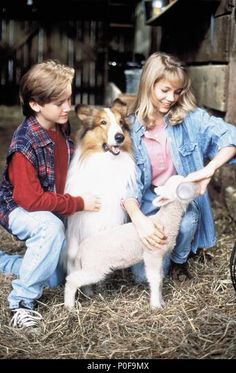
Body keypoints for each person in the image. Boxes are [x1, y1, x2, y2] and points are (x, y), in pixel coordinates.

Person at [0, 60, 101, 328]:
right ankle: (21, 303)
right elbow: (30, 200)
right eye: (60, 102)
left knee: (55, 276)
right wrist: (78, 203)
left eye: (69, 99)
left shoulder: (59, 123)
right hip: (18, 208)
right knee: (50, 229)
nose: (68, 107)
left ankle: (6, 263)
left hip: (49, 203)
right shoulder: (24, 145)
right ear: (35, 104)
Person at [123, 52, 236, 283]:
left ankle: (180, 260)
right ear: (148, 85)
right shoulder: (129, 128)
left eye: (177, 91)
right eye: (164, 90)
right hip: (145, 200)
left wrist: (209, 169)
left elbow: (231, 137)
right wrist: (139, 220)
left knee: (187, 219)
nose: (171, 98)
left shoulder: (190, 119)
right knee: (142, 278)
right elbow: (126, 183)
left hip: (178, 197)